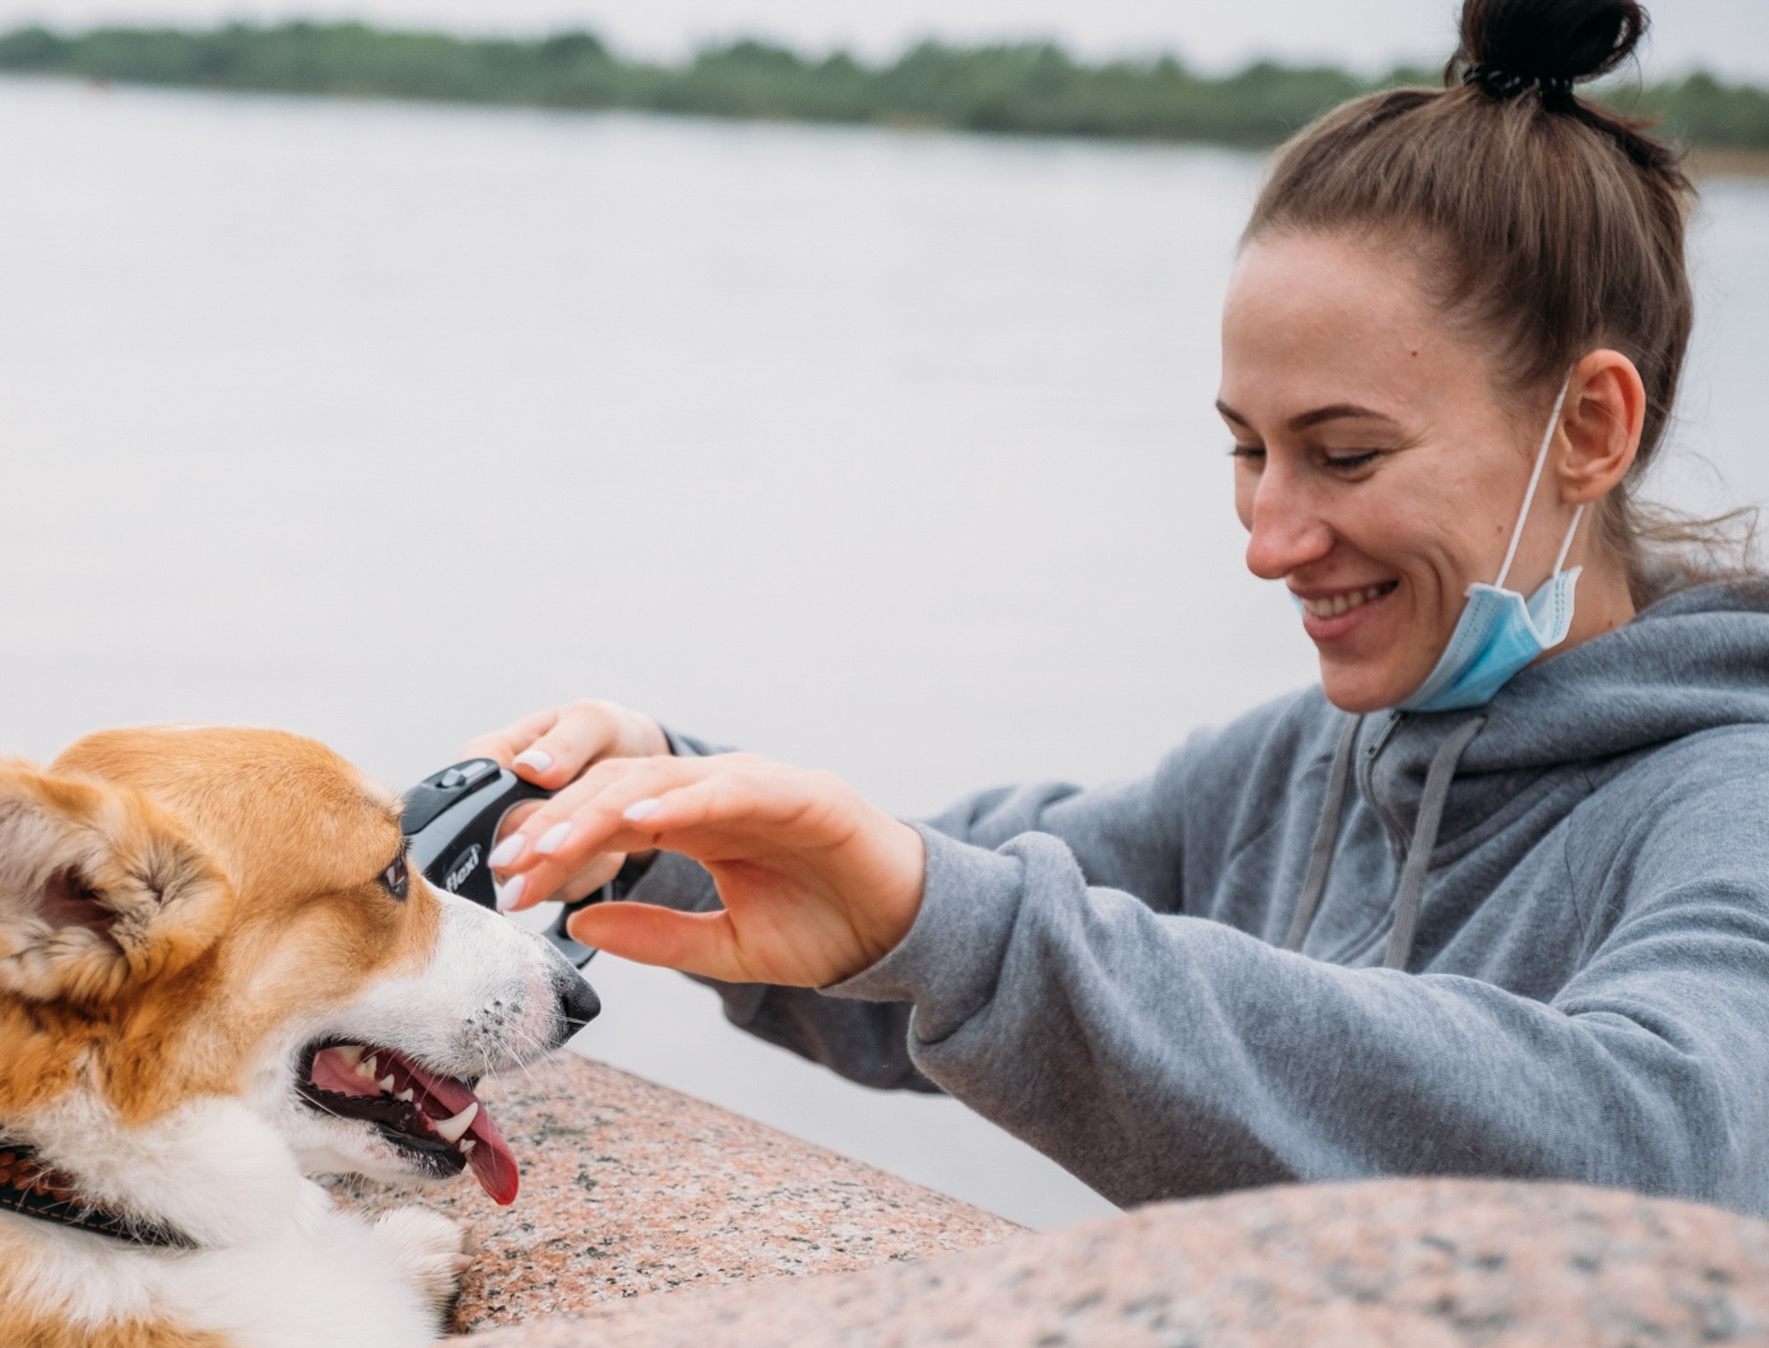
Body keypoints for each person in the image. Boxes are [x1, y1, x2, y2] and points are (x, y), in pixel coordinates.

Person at [467, 0, 1769, 1215]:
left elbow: (1650, 1147)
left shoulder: (1731, 804)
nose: (1271, 543)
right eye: (1248, 450)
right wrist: (660, 808)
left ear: (1591, 427)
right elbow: (967, 902)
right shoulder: (1297, 767)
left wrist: (956, 923)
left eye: (1348, 453)